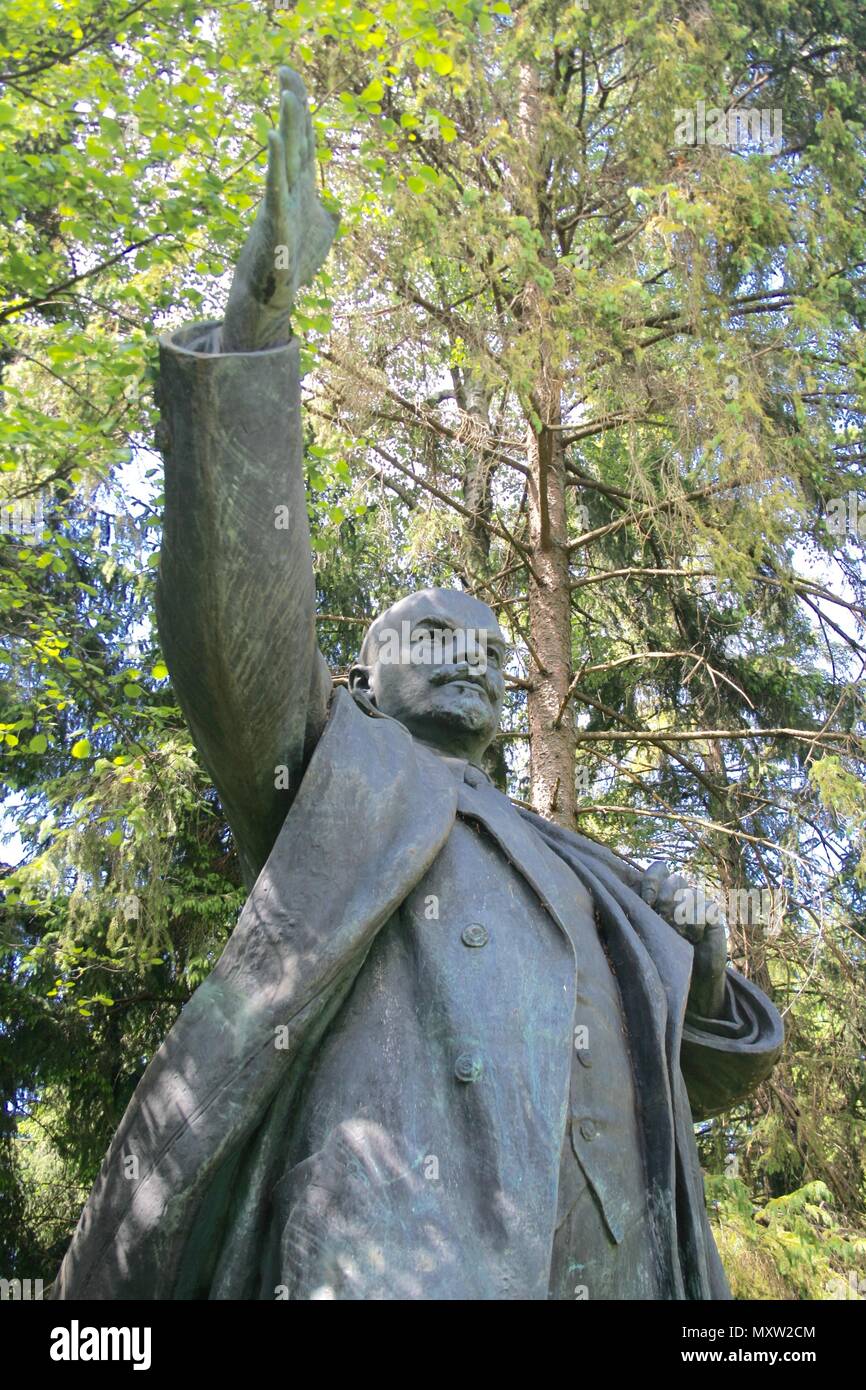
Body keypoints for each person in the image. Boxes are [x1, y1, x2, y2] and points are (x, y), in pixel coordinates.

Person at [52, 69, 782, 1302]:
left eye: (495, 645)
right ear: (361, 684)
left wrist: (703, 961)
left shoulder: (583, 866)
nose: (478, 651)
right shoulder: (338, 779)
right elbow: (238, 638)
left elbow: (707, 1065)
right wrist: (258, 328)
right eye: (436, 633)